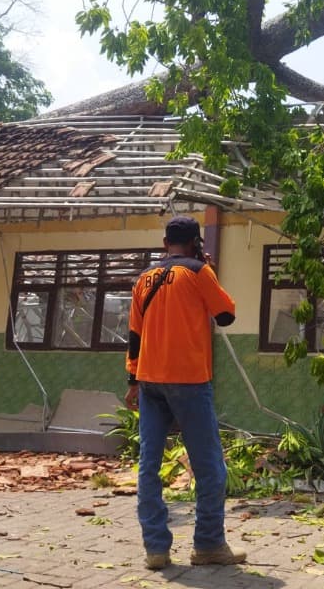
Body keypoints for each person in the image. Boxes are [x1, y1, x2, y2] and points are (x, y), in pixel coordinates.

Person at [124, 215, 246, 571]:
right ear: (197, 243)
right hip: (189, 381)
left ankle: (156, 551)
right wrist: (209, 270)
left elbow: (134, 335)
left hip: (148, 381)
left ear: (165, 244)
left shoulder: (144, 279)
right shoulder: (198, 271)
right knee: (209, 466)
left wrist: (132, 381)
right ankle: (208, 545)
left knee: (149, 465)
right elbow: (226, 315)